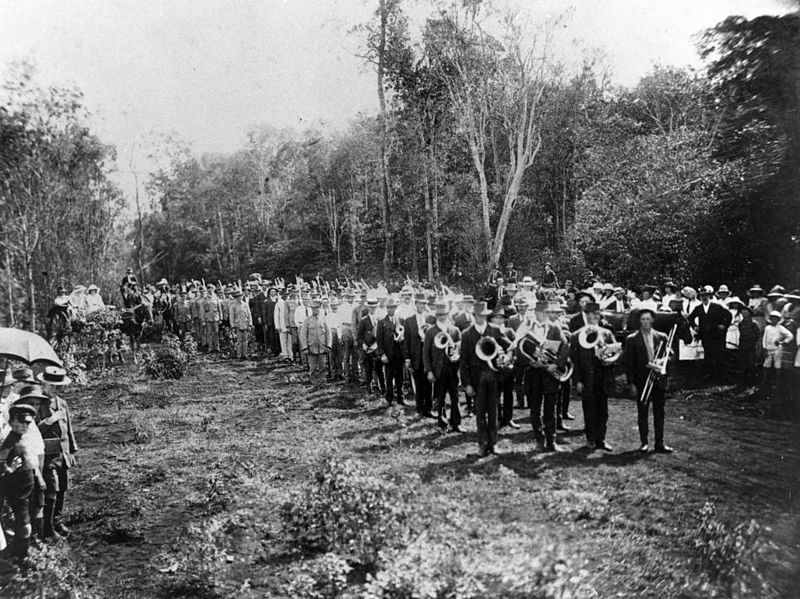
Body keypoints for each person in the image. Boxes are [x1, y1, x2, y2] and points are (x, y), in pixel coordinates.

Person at [459, 302, 510, 456]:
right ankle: (482, 444)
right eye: (479, 315)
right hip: (478, 379)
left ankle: (493, 444)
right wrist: (466, 383)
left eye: (484, 315)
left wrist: (506, 356)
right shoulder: (467, 334)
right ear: (474, 316)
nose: (481, 318)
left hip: (494, 376)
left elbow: (509, 345)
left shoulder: (494, 329)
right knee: (480, 412)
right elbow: (464, 361)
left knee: (494, 411)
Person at [36, 366, 78, 540]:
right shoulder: (38, 404)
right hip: (48, 456)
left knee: (63, 488)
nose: (55, 389)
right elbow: (33, 430)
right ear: (43, 384)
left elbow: (68, 429)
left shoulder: (62, 403)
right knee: (52, 490)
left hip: (63, 453)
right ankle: (47, 529)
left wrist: (72, 451)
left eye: (58, 387)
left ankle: (57, 521)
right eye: (51, 386)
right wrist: (49, 420)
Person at [523, 301, 570, 452]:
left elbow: (565, 347)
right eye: (541, 312)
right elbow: (520, 349)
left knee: (551, 409)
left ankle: (551, 441)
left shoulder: (555, 327)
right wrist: (530, 362)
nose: (543, 315)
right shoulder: (527, 327)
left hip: (550, 374)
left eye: (546, 312)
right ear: (536, 312)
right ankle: (539, 440)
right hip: (534, 374)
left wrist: (556, 364)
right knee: (535, 410)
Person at [625, 308, 672, 453]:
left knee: (659, 413)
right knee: (643, 412)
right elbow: (628, 363)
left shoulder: (662, 336)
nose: (645, 322)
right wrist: (631, 383)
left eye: (648, 319)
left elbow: (671, 355)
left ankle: (660, 443)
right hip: (642, 381)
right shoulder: (632, 339)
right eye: (643, 319)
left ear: (653, 320)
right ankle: (644, 443)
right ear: (639, 321)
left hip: (659, 380)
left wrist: (662, 360)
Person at [571, 303, 617, 451]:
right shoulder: (577, 335)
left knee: (603, 411)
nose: (595, 316)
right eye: (591, 313)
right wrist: (577, 380)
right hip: (587, 377)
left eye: (597, 313)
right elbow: (575, 361)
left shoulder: (607, 333)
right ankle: (590, 439)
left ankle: (601, 440)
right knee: (589, 409)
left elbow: (617, 352)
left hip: (603, 375)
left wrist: (610, 359)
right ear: (586, 315)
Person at [0, 400, 39, 561]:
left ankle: (21, 555)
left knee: (26, 524)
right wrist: (11, 469)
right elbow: (1, 463)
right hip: (16, 491)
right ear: (12, 421)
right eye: (22, 421)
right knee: (24, 526)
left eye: (28, 423)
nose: (26, 426)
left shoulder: (22, 438)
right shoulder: (10, 442)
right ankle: (20, 556)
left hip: (26, 488)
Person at [424, 302, 463, 432]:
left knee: (455, 397)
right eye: (439, 315)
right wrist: (429, 371)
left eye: (444, 314)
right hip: (438, 370)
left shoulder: (454, 330)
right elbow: (426, 353)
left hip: (452, 369)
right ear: (436, 315)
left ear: (447, 314)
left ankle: (456, 423)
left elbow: (460, 348)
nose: (442, 317)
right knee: (440, 398)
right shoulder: (430, 331)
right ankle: (442, 424)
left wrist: (457, 355)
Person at [689, 286, 732, 375]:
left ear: (709, 296)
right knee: (708, 353)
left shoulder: (716, 307)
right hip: (705, 334)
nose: (704, 298)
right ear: (699, 297)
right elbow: (690, 318)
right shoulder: (698, 308)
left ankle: (720, 373)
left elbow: (729, 315)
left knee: (718, 353)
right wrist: (694, 326)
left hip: (717, 334)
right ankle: (709, 373)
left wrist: (724, 325)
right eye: (702, 296)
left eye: (706, 296)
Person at [404, 294, 434, 417]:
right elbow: (406, 341)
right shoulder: (408, 320)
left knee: (429, 382)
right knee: (418, 381)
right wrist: (407, 358)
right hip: (415, 355)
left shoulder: (431, 318)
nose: (423, 306)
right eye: (420, 304)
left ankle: (429, 408)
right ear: (415, 304)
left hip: (428, 354)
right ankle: (419, 408)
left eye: (424, 304)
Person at [376, 298, 406, 406]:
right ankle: (388, 399)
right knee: (388, 377)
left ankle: (400, 398)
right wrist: (382, 354)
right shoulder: (381, 322)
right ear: (386, 308)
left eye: (393, 307)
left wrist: (402, 340)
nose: (391, 310)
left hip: (399, 354)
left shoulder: (401, 320)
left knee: (400, 377)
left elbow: (405, 336)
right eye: (389, 308)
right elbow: (379, 340)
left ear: (396, 308)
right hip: (388, 355)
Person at [761, 311, 792, 399]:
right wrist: (764, 348)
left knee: (777, 366)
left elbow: (790, 336)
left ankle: (777, 383)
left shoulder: (780, 328)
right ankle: (764, 382)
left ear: (778, 320)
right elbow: (764, 338)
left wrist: (783, 342)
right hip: (769, 349)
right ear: (770, 319)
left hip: (777, 349)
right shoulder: (767, 327)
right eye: (772, 318)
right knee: (766, 366)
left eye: (776, 318)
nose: (774, 320)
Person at [299, 301, 330, 384]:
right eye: (314, 308)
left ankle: (322, 380)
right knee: (312, 367)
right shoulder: (307, 321)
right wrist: (305, 347)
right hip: (311, 347)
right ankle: (313, 380)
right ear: (311, 309)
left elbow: (328, 333)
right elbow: (303, 335)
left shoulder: (323, 320)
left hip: (322, 347)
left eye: (318, 308)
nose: (316, 310)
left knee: (322, 366)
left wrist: (328, 346)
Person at [357, 298, 384, 395]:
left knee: (379, 369)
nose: (372, 309)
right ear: (367, 308)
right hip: (368, 348)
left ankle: (382, 387)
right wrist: (363, 344)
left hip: (378, 348)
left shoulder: (380, 319)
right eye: (370, 307)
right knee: (369, 368)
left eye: (374, 307)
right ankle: (369, 388)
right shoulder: (363, 320)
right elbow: (359, 336)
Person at [737, 306, 761, 385]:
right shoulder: (741, 323)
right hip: (742, 345)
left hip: (750, 345)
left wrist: (752, 341)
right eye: (743, 312)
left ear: (749, 314)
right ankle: (743, 380)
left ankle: (752, 380)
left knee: (751, 363)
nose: (744, 314)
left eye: (746, 312)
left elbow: (758, 334)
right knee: (743, 362)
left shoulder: (753, 323)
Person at [229, 288, 253, 359]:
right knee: (239, 341)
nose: (240, 297)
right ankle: (239, 355)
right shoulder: (233, 305)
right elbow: (231, 316)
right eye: (238, 296)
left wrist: (250, 324)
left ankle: (244, 354)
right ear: (236, 297)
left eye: (241, 296)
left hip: (245, 324)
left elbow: (249, 314)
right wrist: (232, 326)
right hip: (238, 325)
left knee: (245, 341)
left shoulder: (245, 304)